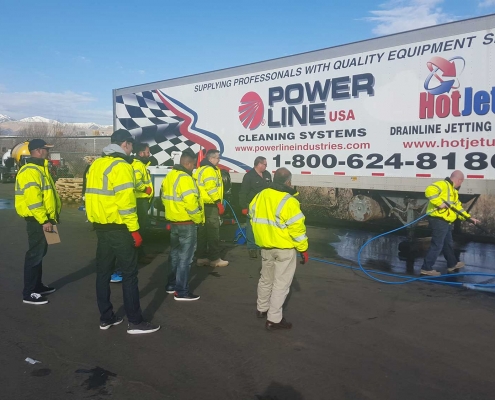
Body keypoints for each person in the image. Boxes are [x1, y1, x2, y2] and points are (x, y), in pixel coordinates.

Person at [86, 129, 160, 334]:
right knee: (130, 274)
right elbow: (126, 203)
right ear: (125, 144)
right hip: (120, 228)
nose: (131, 150)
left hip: (101, 227)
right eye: (131, 146)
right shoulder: (122, 166)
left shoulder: (96, 165)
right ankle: (135, 322)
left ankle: (106, 317)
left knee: (103, 273)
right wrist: (134, 230)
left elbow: (92, 195)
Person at [249, 168, 308, 331]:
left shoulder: (260, 195)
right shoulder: (289, 201)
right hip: (284, 248)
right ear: (288, 182)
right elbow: (297, 229)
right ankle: (274, 319)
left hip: (265, 246)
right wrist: (303, 249)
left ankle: (261, 309)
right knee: (281, 284)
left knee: (265, 279)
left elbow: (252, 216)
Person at [15, 139, 61, 305]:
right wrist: (44, 220)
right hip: (39, 220)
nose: (48, 152)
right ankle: (29, 292)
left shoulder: (40, 169)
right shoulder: (30, 171)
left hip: (45, 219)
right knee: (35, 254)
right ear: (38, 150)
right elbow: (34, 201)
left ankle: (37, 286)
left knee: (41, 252)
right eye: (46, 149)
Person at [161, 151, 204, 301]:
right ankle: (182, 291)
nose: (194, 168)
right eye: (193, 164)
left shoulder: (170, 176)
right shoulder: (186, 179)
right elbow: (191, 203)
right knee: (186, 259)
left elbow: (163, 197)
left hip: (174, 222)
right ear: (187, 163)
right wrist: (199, 219)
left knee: (174, 255)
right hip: (187, 223)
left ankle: (171, 285)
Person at [421, 170, 480, 276]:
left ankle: (452, 264)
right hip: (438, 220)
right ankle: (426, 268)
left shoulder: (453, 192)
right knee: (437, 244)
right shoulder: (443, 184)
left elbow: (457, 208)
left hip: (446, 220)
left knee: (447, 243)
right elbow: (429, 190)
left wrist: (469, 218)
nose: (460, 184)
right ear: (459, 180)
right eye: (461, 182)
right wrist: (440, 203)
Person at [193, 149, 228, 268]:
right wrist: (219, 203)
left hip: (202, 204)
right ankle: (215, 259)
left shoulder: (200, 169)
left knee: (203, 232)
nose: (219, 160)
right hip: (210, 204)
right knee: (213, 231)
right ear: (211, 158)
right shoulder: (209, 170)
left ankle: (201, 257)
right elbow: (211, 188)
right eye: (218, 158)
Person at [239, 156, 272, 258]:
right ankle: (252, 247)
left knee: (263, 226)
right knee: (251, 227)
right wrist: (244, 207)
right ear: (259, 164)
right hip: (252, 205)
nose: (266, 166)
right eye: (264, 164)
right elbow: (243, 192)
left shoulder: (267, 174)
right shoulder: (249, 176)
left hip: (264, 205)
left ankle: (261, 246)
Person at [132, 142, 154, 260]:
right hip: (139, 200)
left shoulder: (140, 165)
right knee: (140, 228)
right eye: (147, 152)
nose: (149, 154)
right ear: (141, 153)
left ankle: (140, 253)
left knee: (141, 228)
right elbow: (136, 181)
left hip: (142, 200)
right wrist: (146, 189)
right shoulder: (138, 165)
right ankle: (138, 255)